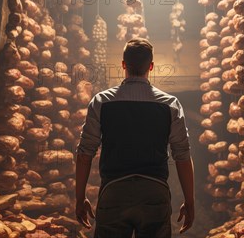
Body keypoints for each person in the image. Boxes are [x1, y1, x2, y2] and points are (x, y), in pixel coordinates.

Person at [75, 38, 195, 238]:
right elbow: (182, 156)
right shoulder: (170, 105)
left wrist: (79, 198)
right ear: (151, 66)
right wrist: (189, 201)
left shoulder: (101, 102)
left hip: (114, 191)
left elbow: (84, 153)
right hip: (154, 192)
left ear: (123, 65)